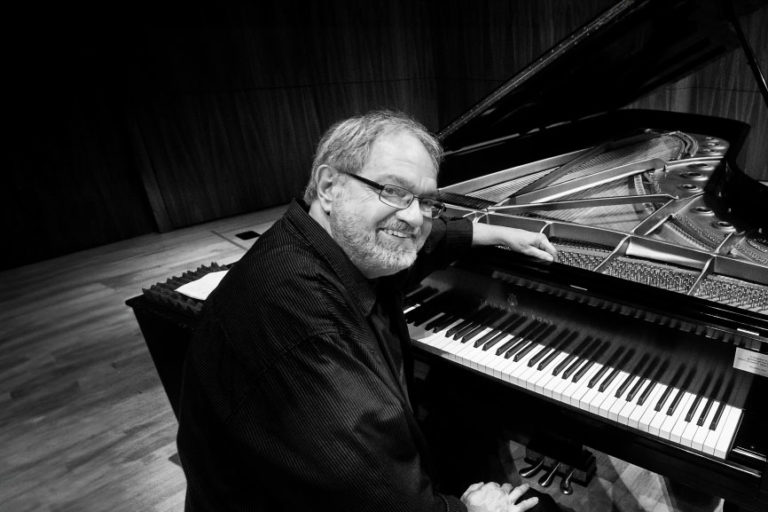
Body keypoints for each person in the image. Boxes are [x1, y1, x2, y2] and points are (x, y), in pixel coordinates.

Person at [176, 110, 559, 512]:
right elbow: (379, 497)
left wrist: (496, 232)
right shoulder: (296, 316)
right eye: (392, 191)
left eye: (426, 201)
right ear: (328, 186)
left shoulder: (322, 243)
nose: (413, 215)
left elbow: (421, 241)